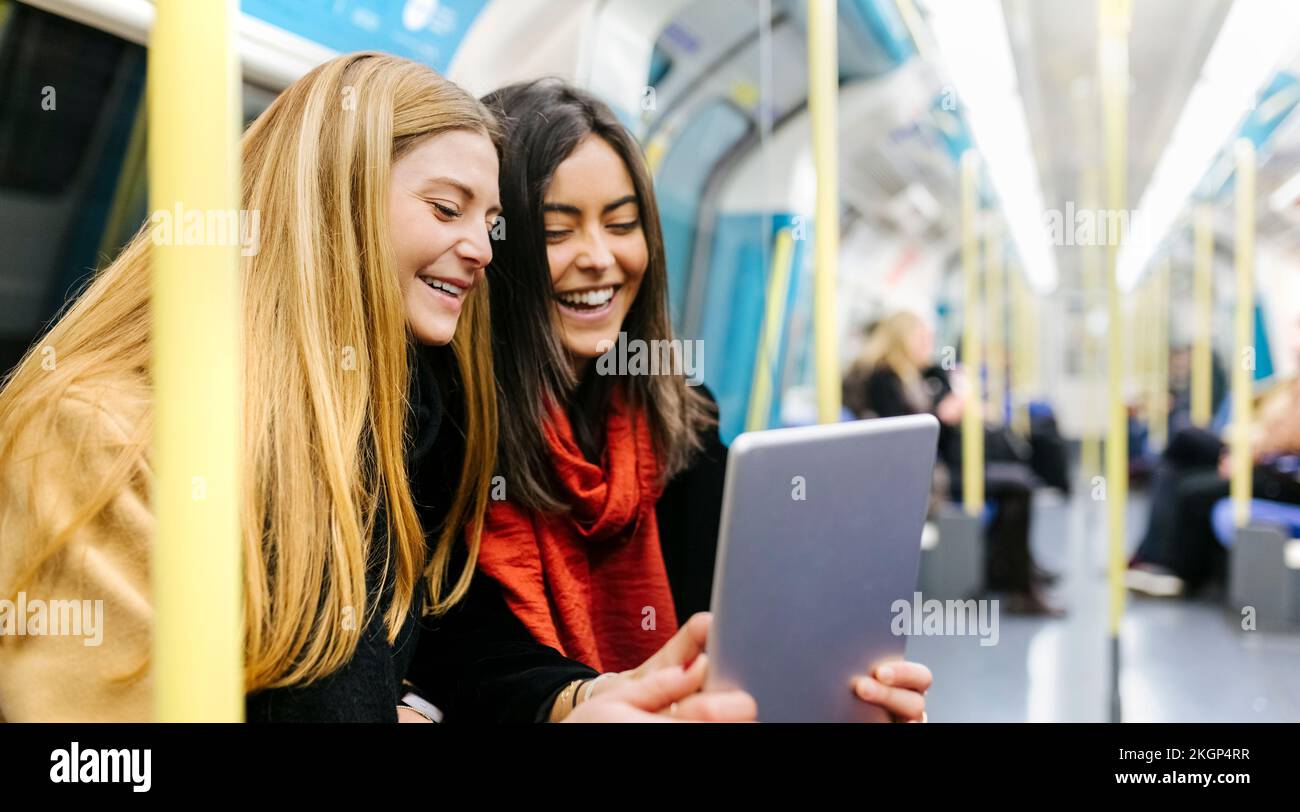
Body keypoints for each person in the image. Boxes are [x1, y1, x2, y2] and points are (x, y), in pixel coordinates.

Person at [0, 54, 750, 724]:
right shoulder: (105, 434)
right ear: (336, 203)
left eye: (490, 222)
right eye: (446, 209)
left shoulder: (370, 439)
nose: (479, 250)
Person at [409, 79, 932, 722]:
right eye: (555, 231)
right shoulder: (438, 426)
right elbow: (455, 654)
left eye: (623, 224)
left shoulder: (684, 420)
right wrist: (583, 699)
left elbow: (738, 637)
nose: (599, 258)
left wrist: (844, 691)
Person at [852, 311, 1059, 615]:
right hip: (918, 476)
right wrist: (942, 415)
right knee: (1016, 487)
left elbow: (940, 385)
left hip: (937, 467)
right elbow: (902, 434)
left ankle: (1013, 569)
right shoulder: (884, 379)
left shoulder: (916, 373)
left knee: (1018, 478)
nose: (928, 345)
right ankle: (1015, 582)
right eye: (921, 339)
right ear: (901, 341)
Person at [1129, 319, 1300, 597]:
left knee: (1191, 489)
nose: (1294, 345)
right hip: (1266, 462)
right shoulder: (1291, 384)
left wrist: (1250, 454)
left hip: (1284, 479)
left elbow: (1288, 439)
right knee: (1175, 466)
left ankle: (1178, 572)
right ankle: (1153, 557)